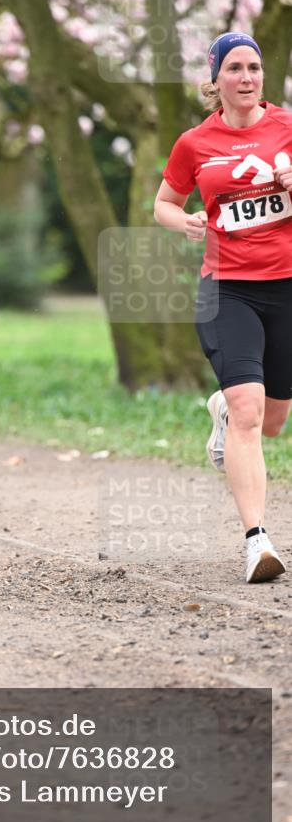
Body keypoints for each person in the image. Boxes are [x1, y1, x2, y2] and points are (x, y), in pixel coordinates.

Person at [154, 31, 291, 584]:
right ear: (216, 80)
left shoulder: (287, 127)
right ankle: (257, 540)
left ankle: (224, 415)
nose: (246, 77)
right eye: (234, 68)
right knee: (251, 411)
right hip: (226, 288)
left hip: (287, 285)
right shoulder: (194, 143)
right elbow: (164, 202)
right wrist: (182, 220)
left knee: (273, 421)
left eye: (253, 67)